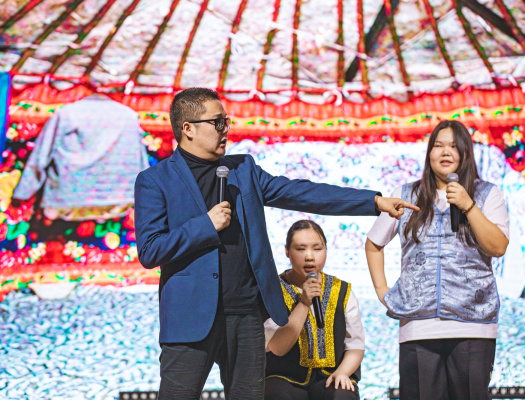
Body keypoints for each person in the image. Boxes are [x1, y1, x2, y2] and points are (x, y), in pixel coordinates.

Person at [134, 87, 418, 400]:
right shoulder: (155, 180)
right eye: (217, 122)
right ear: (188, 128)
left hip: (245, 316)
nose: (225, 129)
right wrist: (205, 225)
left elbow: (303, 193)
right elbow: (150, 250)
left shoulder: (243, 170)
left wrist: (373, 202)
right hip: (190, 317)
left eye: (226, 121)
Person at [365, 120, 509, 400]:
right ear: (429, 152)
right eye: (438, 145)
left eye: (454, 146)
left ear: (466, 153)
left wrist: (468, 205)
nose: (445, 152)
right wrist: (383, 292)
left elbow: (498, 247)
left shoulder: (487, 194)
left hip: (473, 324)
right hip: (419, 326)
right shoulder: (406, 194)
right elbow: (373, 244)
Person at [264, 220, 364, 400]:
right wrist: (303, 304)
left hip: (330, 377)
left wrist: (342, 372)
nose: (309, 257)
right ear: (287, 251)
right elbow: (277, 348)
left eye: (317, 249)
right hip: (284, 379)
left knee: (341, 394)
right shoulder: (273, 291)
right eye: (300, 249)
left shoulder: (342, 290)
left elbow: (355, 345)